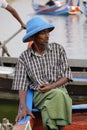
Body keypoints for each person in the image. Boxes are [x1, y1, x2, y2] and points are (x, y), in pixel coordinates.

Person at [12, 16, 72, 130]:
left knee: (55, 98)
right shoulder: (24, 57)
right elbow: (21, 85)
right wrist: (23, 107)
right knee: (59, 96)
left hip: (59, 89)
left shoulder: (58, 49)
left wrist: (51, 86)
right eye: (43, 33)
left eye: (47, 32)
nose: (47, 35)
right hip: (40, 94)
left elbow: (67, 75)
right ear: (34, 37)